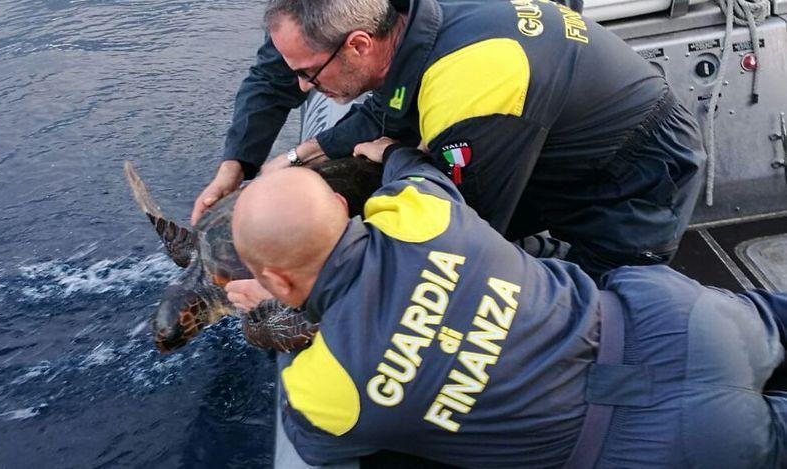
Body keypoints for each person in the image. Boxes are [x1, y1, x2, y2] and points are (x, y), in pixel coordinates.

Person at [229, 144, 787, 468]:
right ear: (340, 203)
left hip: (659, 444)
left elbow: (314, 446)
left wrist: (272, 313)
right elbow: (408, 162)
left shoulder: (324, 389)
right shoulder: (420, 211)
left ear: (274, 279)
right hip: (683, 323)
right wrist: (385, 151)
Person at [206, 0, 705, 280]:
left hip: (639, 176)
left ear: (358, 45)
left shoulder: (470, 86)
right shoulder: (414, 22)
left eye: (310, 75)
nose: (303, 87)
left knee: (599, 309)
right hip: (560, 135)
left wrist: (398, 156)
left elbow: (459, 232)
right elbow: (387, 107)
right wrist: (294, 157)